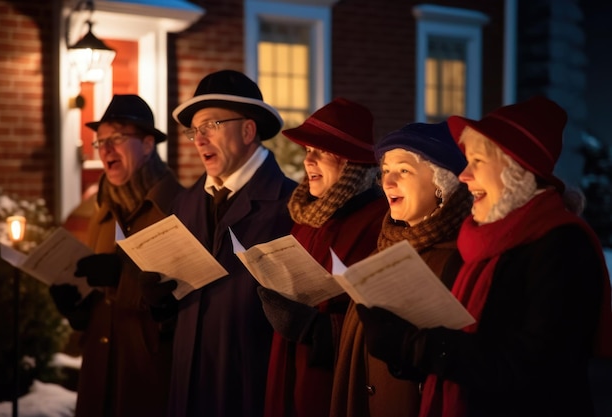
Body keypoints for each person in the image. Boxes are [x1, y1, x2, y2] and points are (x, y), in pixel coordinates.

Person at [356, 96, 612, 417]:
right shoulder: (486, 240)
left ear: (515, 169)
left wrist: (414, 345)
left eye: (477, 161)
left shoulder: (562, 245)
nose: (464, 176)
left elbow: (531, 366)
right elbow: (462, 355)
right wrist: (401, 351)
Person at [139, 69, 297, 417]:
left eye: (210, 125)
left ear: (247, 130)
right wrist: (162, 303)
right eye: (194, 130)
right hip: (188, 383)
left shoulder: (290, 205)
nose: (198, 139)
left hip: (247, 386)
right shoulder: (185, 202)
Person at [48, 94, 184, 417]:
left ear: (148, 144)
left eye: (118, 138)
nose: (106, 149)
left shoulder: (178, 207)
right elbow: (98, 292)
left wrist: (124, 276)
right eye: (100, 142)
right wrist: (79, 310)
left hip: (146, 377)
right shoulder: (101, 208)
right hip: (99, 370)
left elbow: (183, 301)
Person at [256, 97, 389, 417]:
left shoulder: (378, 223)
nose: (308, 161)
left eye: (321, 153)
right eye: (307, 152)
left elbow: (381, 319)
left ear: (351, 165)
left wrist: (318, 329)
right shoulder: (306, 216)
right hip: (289, 366)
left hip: (329, 381)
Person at [330, 121, 472, 417]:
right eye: (385, 172)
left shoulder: (459, 259)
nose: (388, 182)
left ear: (441, 182)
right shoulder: (381, 248)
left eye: (403, 170)